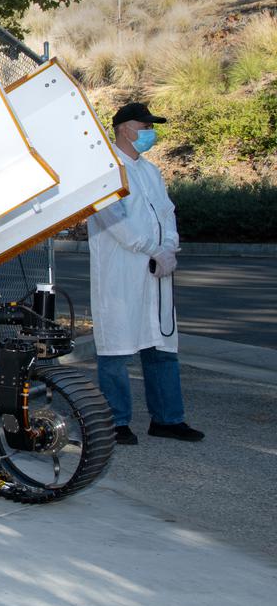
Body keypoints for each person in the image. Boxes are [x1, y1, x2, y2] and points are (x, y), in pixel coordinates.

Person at [88, 101, 203, 445]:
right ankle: (116, 420)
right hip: (122, 270)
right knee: (117, 347)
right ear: (124, 128)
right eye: (145, 125)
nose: (150, 132)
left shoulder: (150, 171)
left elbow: (167, 211)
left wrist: (168, 246)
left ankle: (167, 418)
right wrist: (151, 248)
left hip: (157, 269)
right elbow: (113, 220)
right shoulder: (106, 169)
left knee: (162, 344)